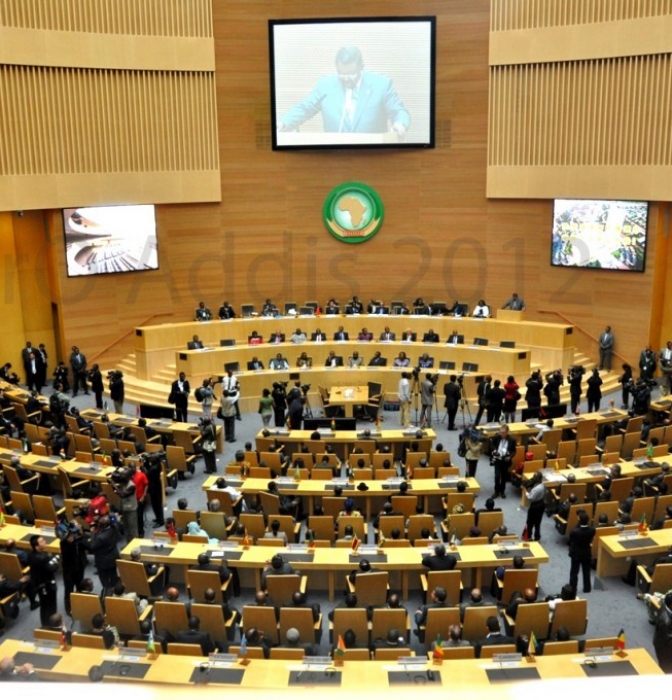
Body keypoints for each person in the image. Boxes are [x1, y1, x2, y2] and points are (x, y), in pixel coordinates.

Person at [277, 44, 411, 137]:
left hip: (372, 156)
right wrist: (284, 123)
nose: (345, 78)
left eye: (351, 74)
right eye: (341, 73)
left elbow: (398, 111)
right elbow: (306, 108)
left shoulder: (381, 85)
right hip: (336, 157)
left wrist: (400, 124)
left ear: (361, 68)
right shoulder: (325, 85)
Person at [28, 534, 60, 626]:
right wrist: (57, 563)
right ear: (36, 546)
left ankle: (45, 624)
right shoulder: (42, 558)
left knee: (44, 605)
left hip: (38, 584)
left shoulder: (31, 555)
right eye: (42, 541)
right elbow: (51, 569)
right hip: (47, 585)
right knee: (51, 606)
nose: (45, 542)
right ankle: (52, 625)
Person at [87, 514, 121, 595]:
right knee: (113, 575)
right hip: (113, 556)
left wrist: (92, 533)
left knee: (104, 580)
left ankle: (108, 594)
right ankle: (117, 593)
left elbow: (92, 546)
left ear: (100, 526)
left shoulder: (100, 537)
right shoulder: (114, 528)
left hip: (102, 561)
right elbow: (114, 519)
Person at [568, 509, 595, 594]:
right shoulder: (592, 530)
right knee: (586, 571)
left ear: (579, 520)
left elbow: (571, 540)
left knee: (574, 572)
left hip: (576, 553)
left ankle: (572, 589)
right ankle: (587, 588)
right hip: (586, 552)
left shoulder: (575, 531)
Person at [491, 424, 516, 499]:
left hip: (505, 461)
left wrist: (510, 457)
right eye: (500, 432)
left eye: (503, 433)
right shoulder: (497, 437)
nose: (501, 434)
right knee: (497, 476)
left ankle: (502, 491)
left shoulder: (512, 440)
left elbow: (514, 451)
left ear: (507, 432)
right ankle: (496, 491)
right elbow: (492, 445)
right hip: (497, 459)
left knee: (503, 477)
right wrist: (494, 450)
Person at [525, 471, 545, 541]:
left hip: (535, 506)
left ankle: (529, 537)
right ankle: (537, 537)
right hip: (541, 504)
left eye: (534, 477)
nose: (533, 478)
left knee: (530, 522)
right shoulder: (542, 485)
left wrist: (526, 493)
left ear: (538, 479)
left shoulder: (536, 489)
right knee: (538, 523)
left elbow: (531, 498)